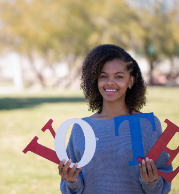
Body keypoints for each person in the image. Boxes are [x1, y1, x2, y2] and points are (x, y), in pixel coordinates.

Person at [58, 44, 172, 194]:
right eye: (103, 76)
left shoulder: (148, 124)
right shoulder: (81, 128)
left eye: (118, 76)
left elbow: (163, 182)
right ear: (95, 80)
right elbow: (71, 188)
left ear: (131, 81)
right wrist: (72, 182)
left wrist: (151, 183)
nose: (110, 82)